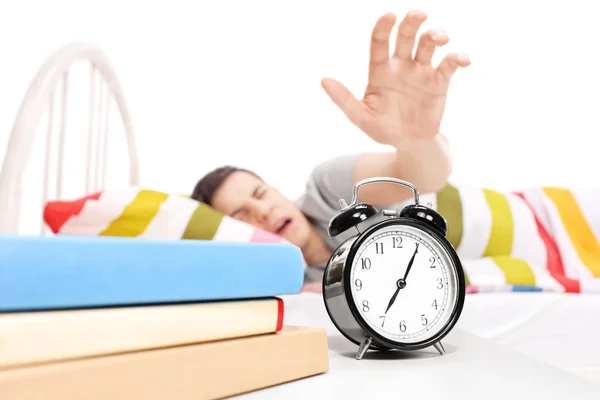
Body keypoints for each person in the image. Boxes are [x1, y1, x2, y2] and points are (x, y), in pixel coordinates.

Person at [191, 10, 470, 273]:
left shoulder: (327, 189)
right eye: (241, 214)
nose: (264, 211)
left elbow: (422, 178)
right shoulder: (294, 284)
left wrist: (415, 140)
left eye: (261, 194)